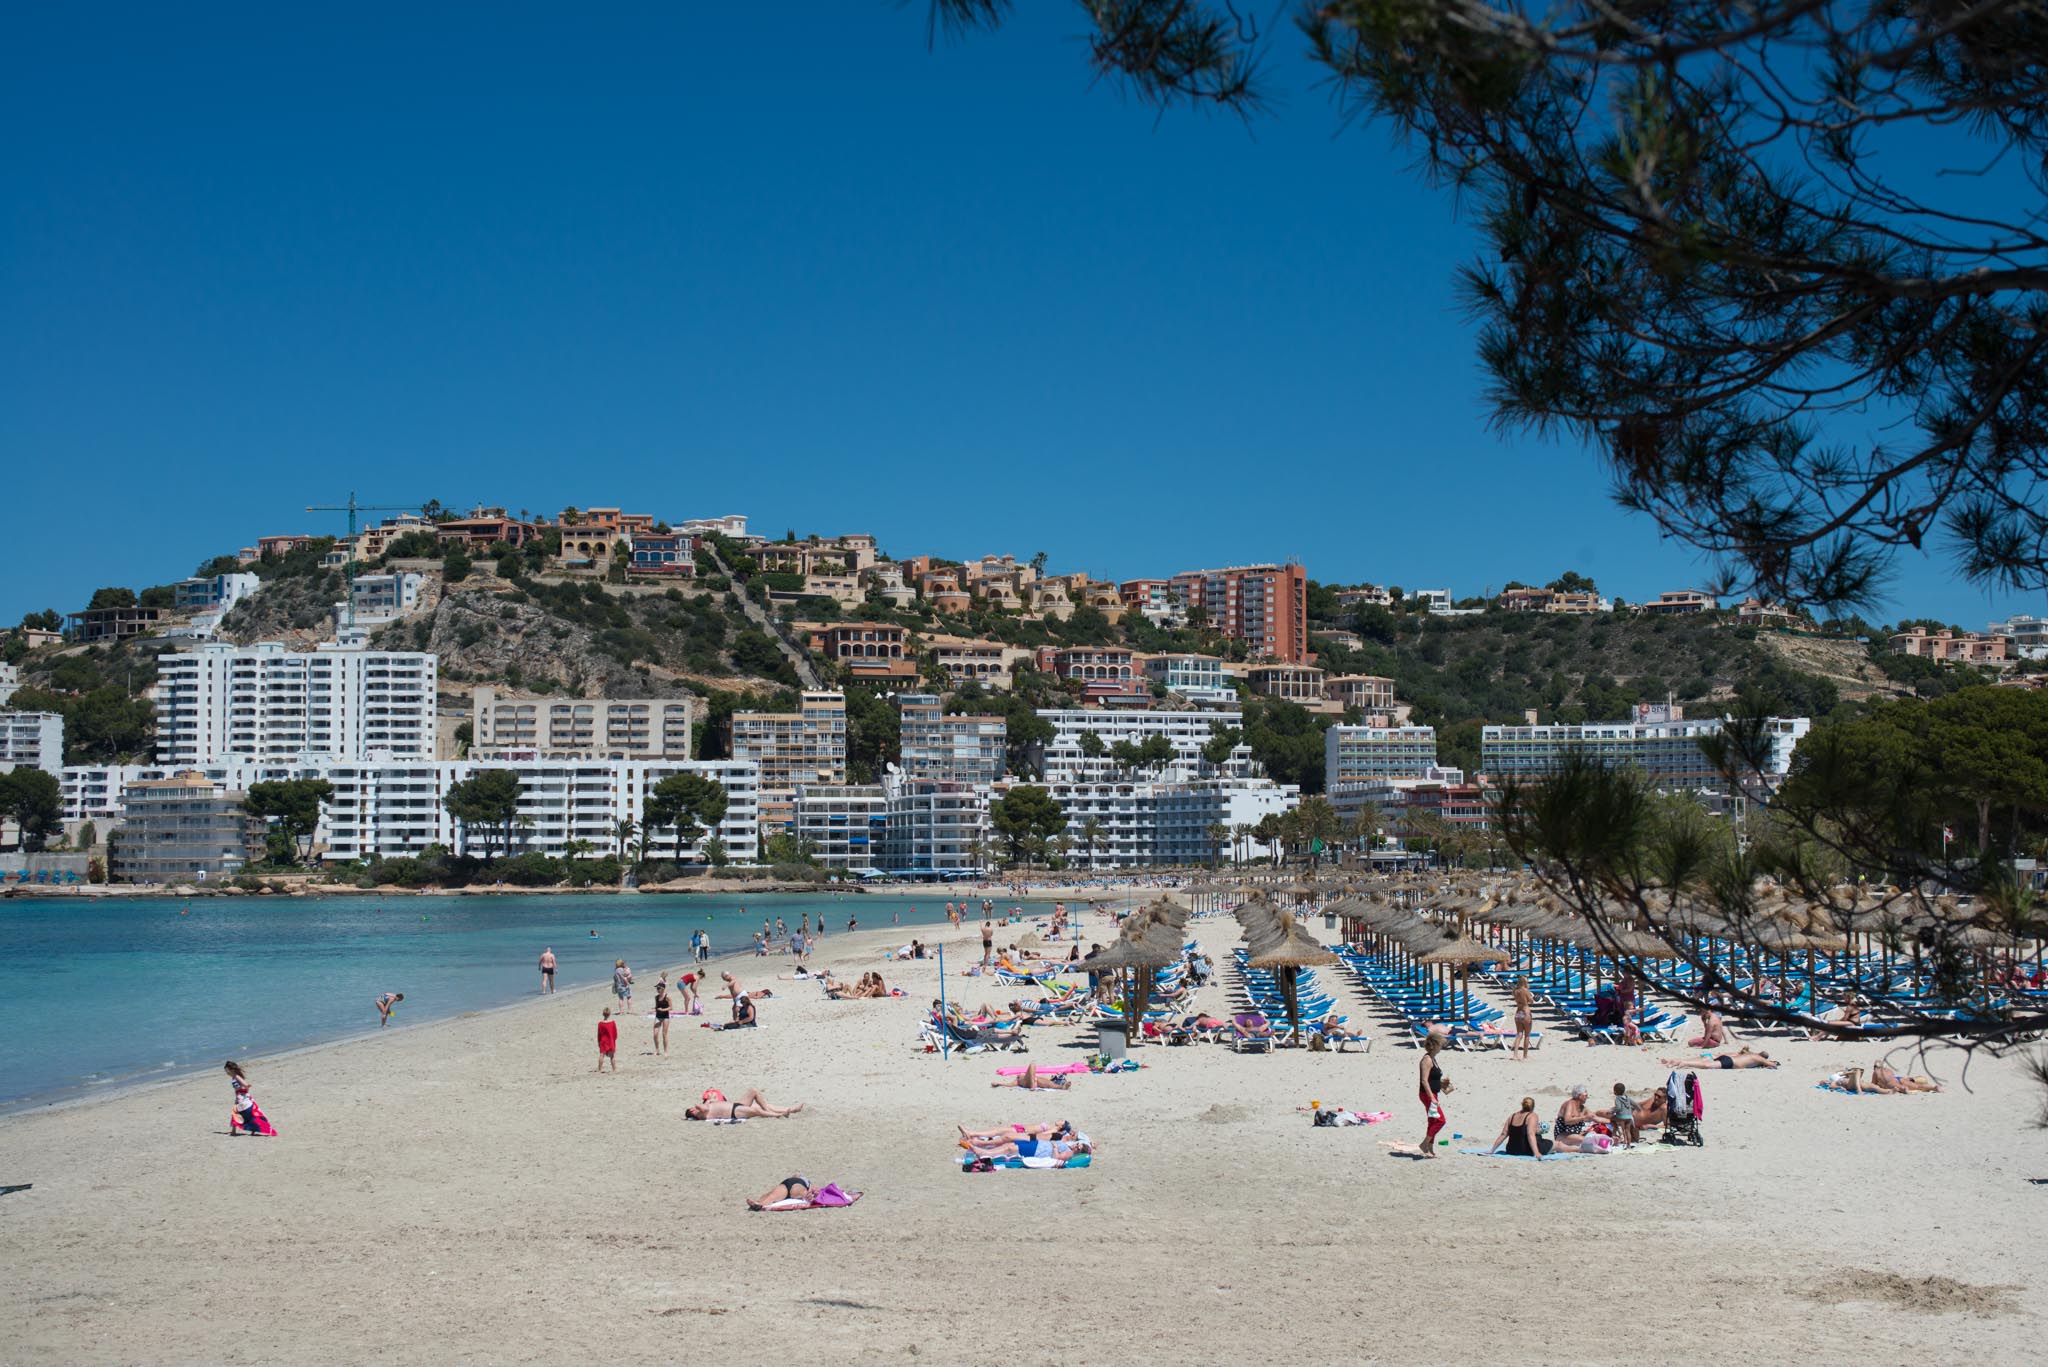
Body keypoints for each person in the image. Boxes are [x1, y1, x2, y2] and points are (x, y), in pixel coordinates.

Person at [224, 1060, 277, 1136]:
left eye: (227, 1071)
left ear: (232, 1070)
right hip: (240, 1098)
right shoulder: (234, 1077)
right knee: (244, 1114)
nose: (227, 1073)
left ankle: (234, 1131)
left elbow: (246, 1085)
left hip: (243, 1098)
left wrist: (243, 1090)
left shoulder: (236, 1077)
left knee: (238, 1114)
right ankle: (237, 1131)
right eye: (226, 1071)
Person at [1416, 1035, 1449, 1158]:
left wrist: (1442, 1084)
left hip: (1433, 1093)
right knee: (1440, 1120)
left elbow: (1432, 1079)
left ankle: (1430, 1148)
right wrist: (1432, 1098)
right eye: (1440, 1044)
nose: (1441, 1047)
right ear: (1434, 1045)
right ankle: (1424, 1144)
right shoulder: (1427, 1059)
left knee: (1432, 1121)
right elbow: (1424, 1080)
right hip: (1427, 1094)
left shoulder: (1433, 1059)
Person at [685, 1088, 805, 1120]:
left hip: (736, 1104)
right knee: (756, 1111)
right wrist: (709, 1101)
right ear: (693, 1112)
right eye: (693, 1109)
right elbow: (701, 1107)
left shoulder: (705, 1106)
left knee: (754, 1092)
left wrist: (710, 1100)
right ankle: (779, 1114)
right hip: (734, 1112)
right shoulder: (701, 1113)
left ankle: (792, 1109)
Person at [1553, 1084, 1598, 1149]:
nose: (1587, 1097)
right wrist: (1583, 1118)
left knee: (1594, 1135)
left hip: (1574, 1134)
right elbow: (1567, 1120)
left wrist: (1612, 1121)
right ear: (1580, 1096)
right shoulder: (1570, 1104)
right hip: (1562, 1135)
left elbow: (1595, 1117)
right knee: (1588, 1141)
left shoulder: (1582, 1107)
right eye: (1585, 1095)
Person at [1663, 1047, 1778, 1070]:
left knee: (1705, 1061)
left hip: (1727, 1057)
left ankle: (1678, 1061)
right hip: (1730, 1062)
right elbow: (1772, 1065)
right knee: (1707, 1065)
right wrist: (1772, 1063)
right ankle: (1684, 1063)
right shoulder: (1758, 1058)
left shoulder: (1749, 1054)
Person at [1872, 1059, 1942, 1093]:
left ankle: (1904, 1089)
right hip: (1899, 1079)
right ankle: (1934, 1087)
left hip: (1893, 1083)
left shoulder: (1876, 1072)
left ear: (1875, 1067)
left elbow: (1873, 1085)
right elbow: (1891, 1077)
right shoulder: (1888, 1069)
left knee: (1902, 1088)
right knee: (1917, 1086)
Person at [990, 1062, 1071, 1090]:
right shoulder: (1018, 1079)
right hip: (1030, 1083)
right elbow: (1010, 1084)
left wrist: (999, 1084)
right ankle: (1033, 1084)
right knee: (1032, 1065)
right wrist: (999, 1084)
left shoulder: (1020, 1079)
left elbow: (1010, 1085)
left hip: (1033, 1083)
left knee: (1045, 1082)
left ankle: (1062, 1087)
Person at [747, 1176, 811, 1210]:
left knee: (772, 1195)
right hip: (789, 1183)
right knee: (770, 1194)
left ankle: (759, 1204)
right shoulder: (801, 1177)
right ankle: (758, 1202)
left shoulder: (807, 1182)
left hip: (796, 1185)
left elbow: (813, 1189)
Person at [1511, 979, 1535, 1062]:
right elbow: (1531, 1001)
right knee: (1527, 1035)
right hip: (1525, 1011)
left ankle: (1515, 1055)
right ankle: (1525, 1056)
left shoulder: (1515, 991)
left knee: (1519, 1034)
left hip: (1518, 1012)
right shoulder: (1525, 990)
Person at [653, 980, 672, 1056]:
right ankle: (657, 1050)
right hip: (658, 1016)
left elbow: (671, 1008)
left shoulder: (667, 997)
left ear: (663, 989)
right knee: (655, 1034)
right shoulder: (656, 997)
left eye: (658, 988)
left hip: (665, 1017)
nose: (657, 990)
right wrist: (652, 1010)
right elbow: (656, 1007)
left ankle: (665, 1051)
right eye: (657, 988)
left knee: (664, 1034)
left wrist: (663, 1010)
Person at [596, 1008, 618, 1072]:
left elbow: (599, 1034)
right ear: (609, 1014)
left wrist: (599, 1042)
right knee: (612, 1056)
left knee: (601, 1055)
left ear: (603, 1014)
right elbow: (615, 1033)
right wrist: (614, 1039)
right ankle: (614, 1069)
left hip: (603, 1041)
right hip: (610, 1040)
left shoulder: (600, 1024)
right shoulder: (612, 1023)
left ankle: (599, 1069)